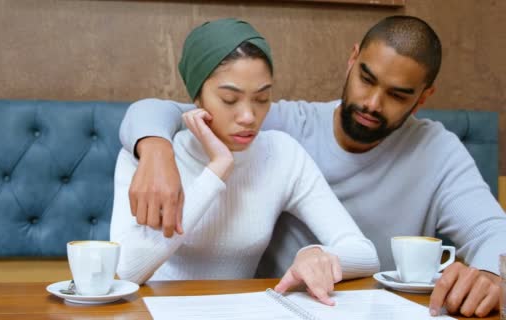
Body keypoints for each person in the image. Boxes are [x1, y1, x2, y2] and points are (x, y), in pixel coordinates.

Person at [118, 15, 506, 318]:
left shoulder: (437, 150)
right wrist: (154, 149)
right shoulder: (279, 125)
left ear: (423, 98)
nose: (372, 102)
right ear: (352, 60)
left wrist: (491, 272)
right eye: (366, 79)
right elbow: (169, 112)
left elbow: (492, 230)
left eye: (397, 94)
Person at [110, 18, 379, 306]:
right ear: (197, 97)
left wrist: (317, 255)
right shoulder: (147, 155)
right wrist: (217, 170)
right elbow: (126, 270)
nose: (249, 116)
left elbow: (366, 254)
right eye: (229, 99)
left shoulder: (283, 155)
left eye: (262, 98)